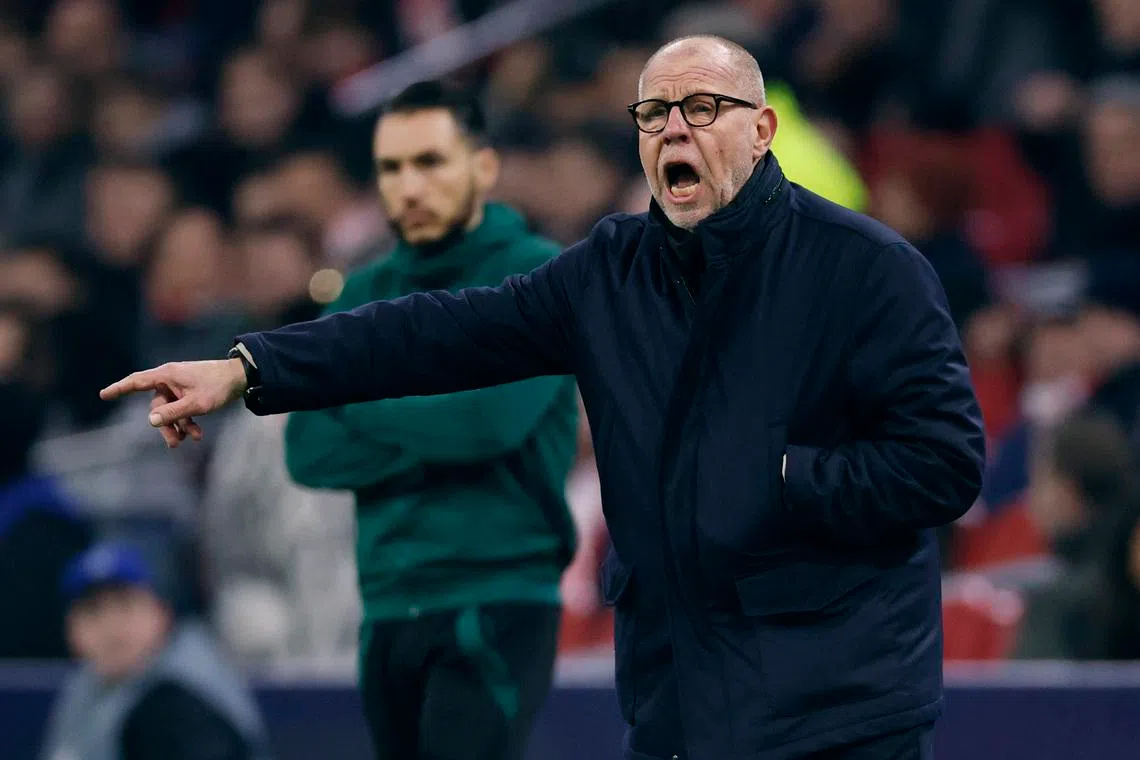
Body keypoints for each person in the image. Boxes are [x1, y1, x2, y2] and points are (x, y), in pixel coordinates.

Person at [102, 35, 986, 760]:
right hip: (680, 708)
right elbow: (432, 333)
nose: (674, 129)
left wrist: (778, 475)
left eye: (701, 108)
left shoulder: (868, 270)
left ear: (761, 130)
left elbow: (944, 464)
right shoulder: (610, 272)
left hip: (836, 710)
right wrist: (250, 368)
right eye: (654, 114)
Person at [283, 80, 578, 759]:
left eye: (430, 162)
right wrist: (436, 414)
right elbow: (308, 449)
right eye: (391, 168)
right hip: (387, 602)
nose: (408, 187)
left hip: (498, 595)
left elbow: (486, 427)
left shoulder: (540, 276)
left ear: (485, 167)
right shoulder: (362, 292)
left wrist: (352, 395)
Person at [39, 542, 271, 760]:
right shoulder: (87, 689)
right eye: (93, 611)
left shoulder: (178, 705)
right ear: (71, 629)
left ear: (162, 613)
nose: (111, 627)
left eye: (125, 605)